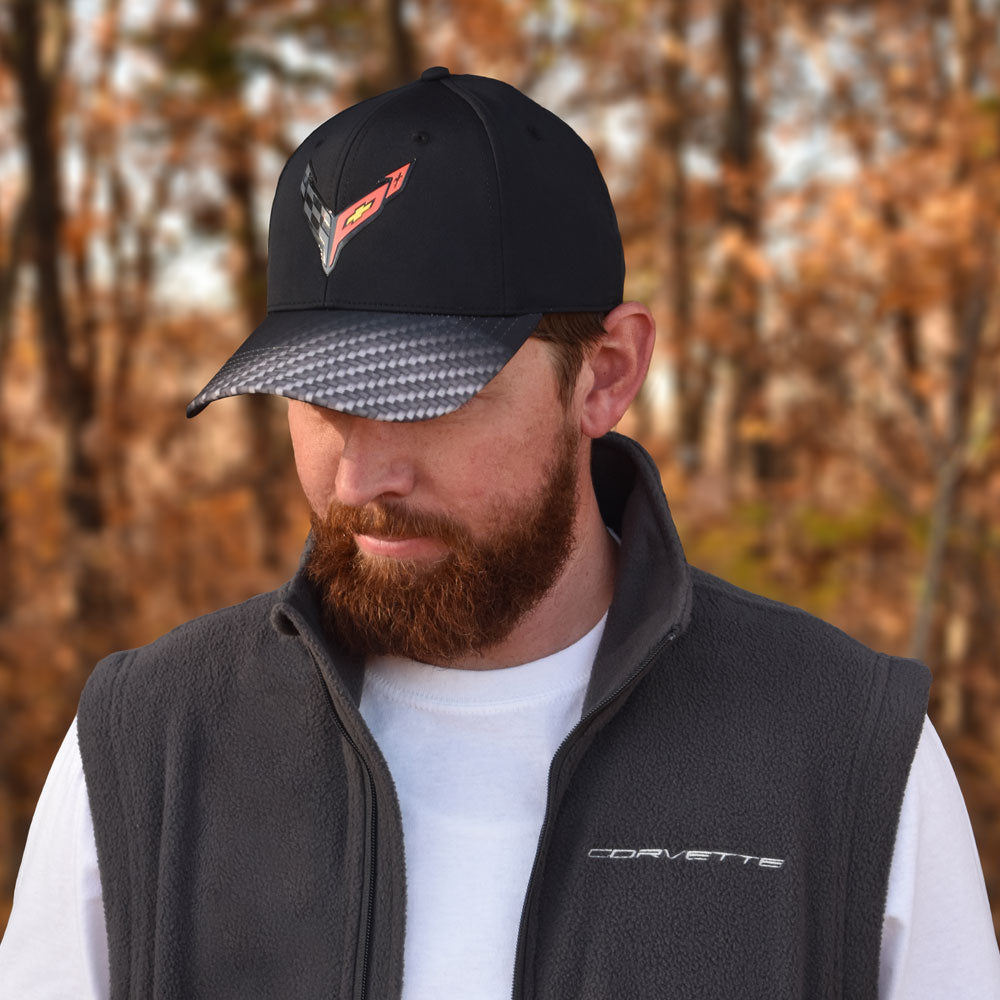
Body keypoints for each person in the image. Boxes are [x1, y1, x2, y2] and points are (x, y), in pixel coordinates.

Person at [1, 67, 998, 1000]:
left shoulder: (848, 754)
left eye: (425, 397)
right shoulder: (146, 752)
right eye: (317, 398)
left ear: (605, 372)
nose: (359, 475)